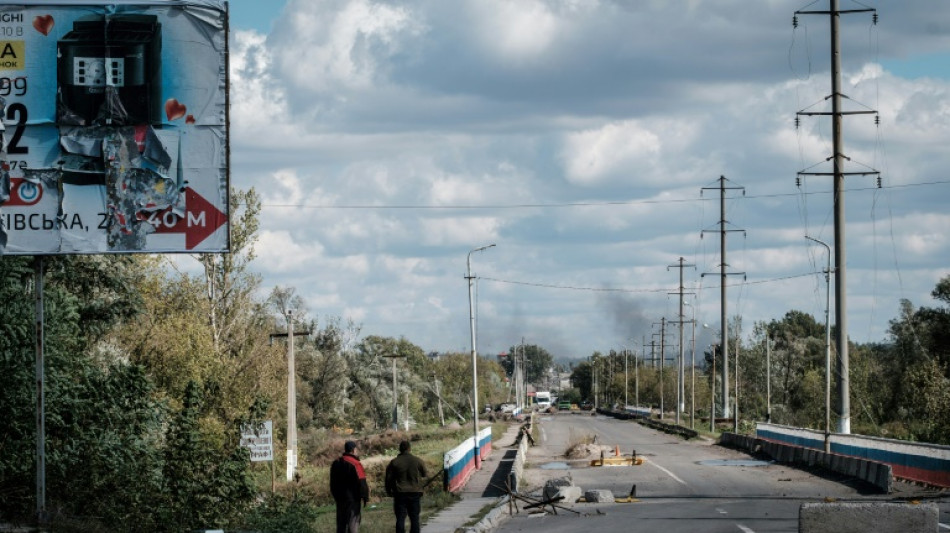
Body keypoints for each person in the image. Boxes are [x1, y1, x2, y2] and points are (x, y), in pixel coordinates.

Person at [385, 440, 428, 533]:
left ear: (400, 449)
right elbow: (425, 474)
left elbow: (388, 479)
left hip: (400, 493)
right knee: (414, 518)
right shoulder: (417, 460)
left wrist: (388, 491)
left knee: (400, 518)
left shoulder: (394, 462)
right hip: (415, 492)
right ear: (409, 449)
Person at [329, 440, 369, 533]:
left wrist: (336, 496)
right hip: (353, 499)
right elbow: (362, 481)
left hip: (340, 498)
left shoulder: (336, 463)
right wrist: (365, 497)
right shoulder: (355, 463)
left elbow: (332, 483)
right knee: (353, 524)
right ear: (353, 450)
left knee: (341, 525)